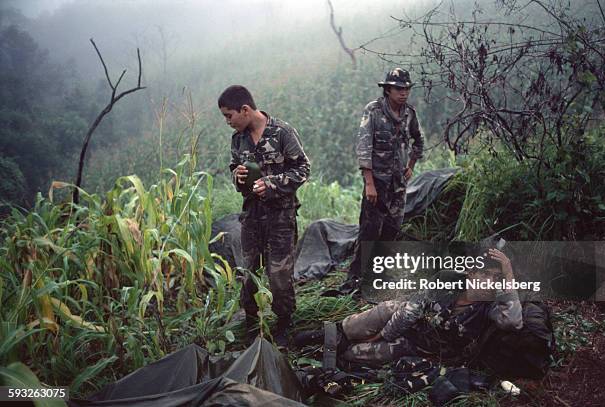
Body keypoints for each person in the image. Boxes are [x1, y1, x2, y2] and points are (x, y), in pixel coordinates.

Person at [298, 249, 524, 367]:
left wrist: (509, 274)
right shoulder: (447, 279)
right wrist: (380, 335)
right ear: (470, 273)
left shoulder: (491, 307)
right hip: (409, 322)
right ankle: (332, 333)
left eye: (496, 277)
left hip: (421, 349)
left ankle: (333, 350)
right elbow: (412, 309)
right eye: (483, 274)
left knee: (354, 353)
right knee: (389, 308)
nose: (488, 282)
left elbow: (513, 322)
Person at [218, 85, 310, 348]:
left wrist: (272, 184)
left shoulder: (282, 132)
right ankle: (252, 325)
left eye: (229, 115)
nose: (227, 122)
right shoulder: (238, 139)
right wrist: (237, 175)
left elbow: (303, 168)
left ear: (245, 110)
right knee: (249, 273)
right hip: (252, 216)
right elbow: (235, 167)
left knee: (279, 275)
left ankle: (284, 325)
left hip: (281, 216)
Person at [345, 68, 424, 292]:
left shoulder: (409, 113)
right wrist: (369, 183)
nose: (404, 93)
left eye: (407, 88)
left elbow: (419, 141)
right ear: (388, 89)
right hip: (377, 183)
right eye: (399, 89)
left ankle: (380, 276)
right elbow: (363, 147)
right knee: (369, 231)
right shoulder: (373, 111)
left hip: (398, 184)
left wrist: (411, 165)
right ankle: (356, 278)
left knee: (392, 230)